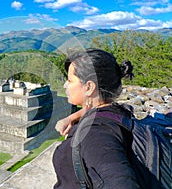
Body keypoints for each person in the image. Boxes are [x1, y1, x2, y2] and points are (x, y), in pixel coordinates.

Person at [52, 48, 139, 188]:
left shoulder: (95, 135)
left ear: (89, 87)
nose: (65, 85)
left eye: (69, 80)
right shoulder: (120, 113)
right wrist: (74, 116)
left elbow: (121, 182)